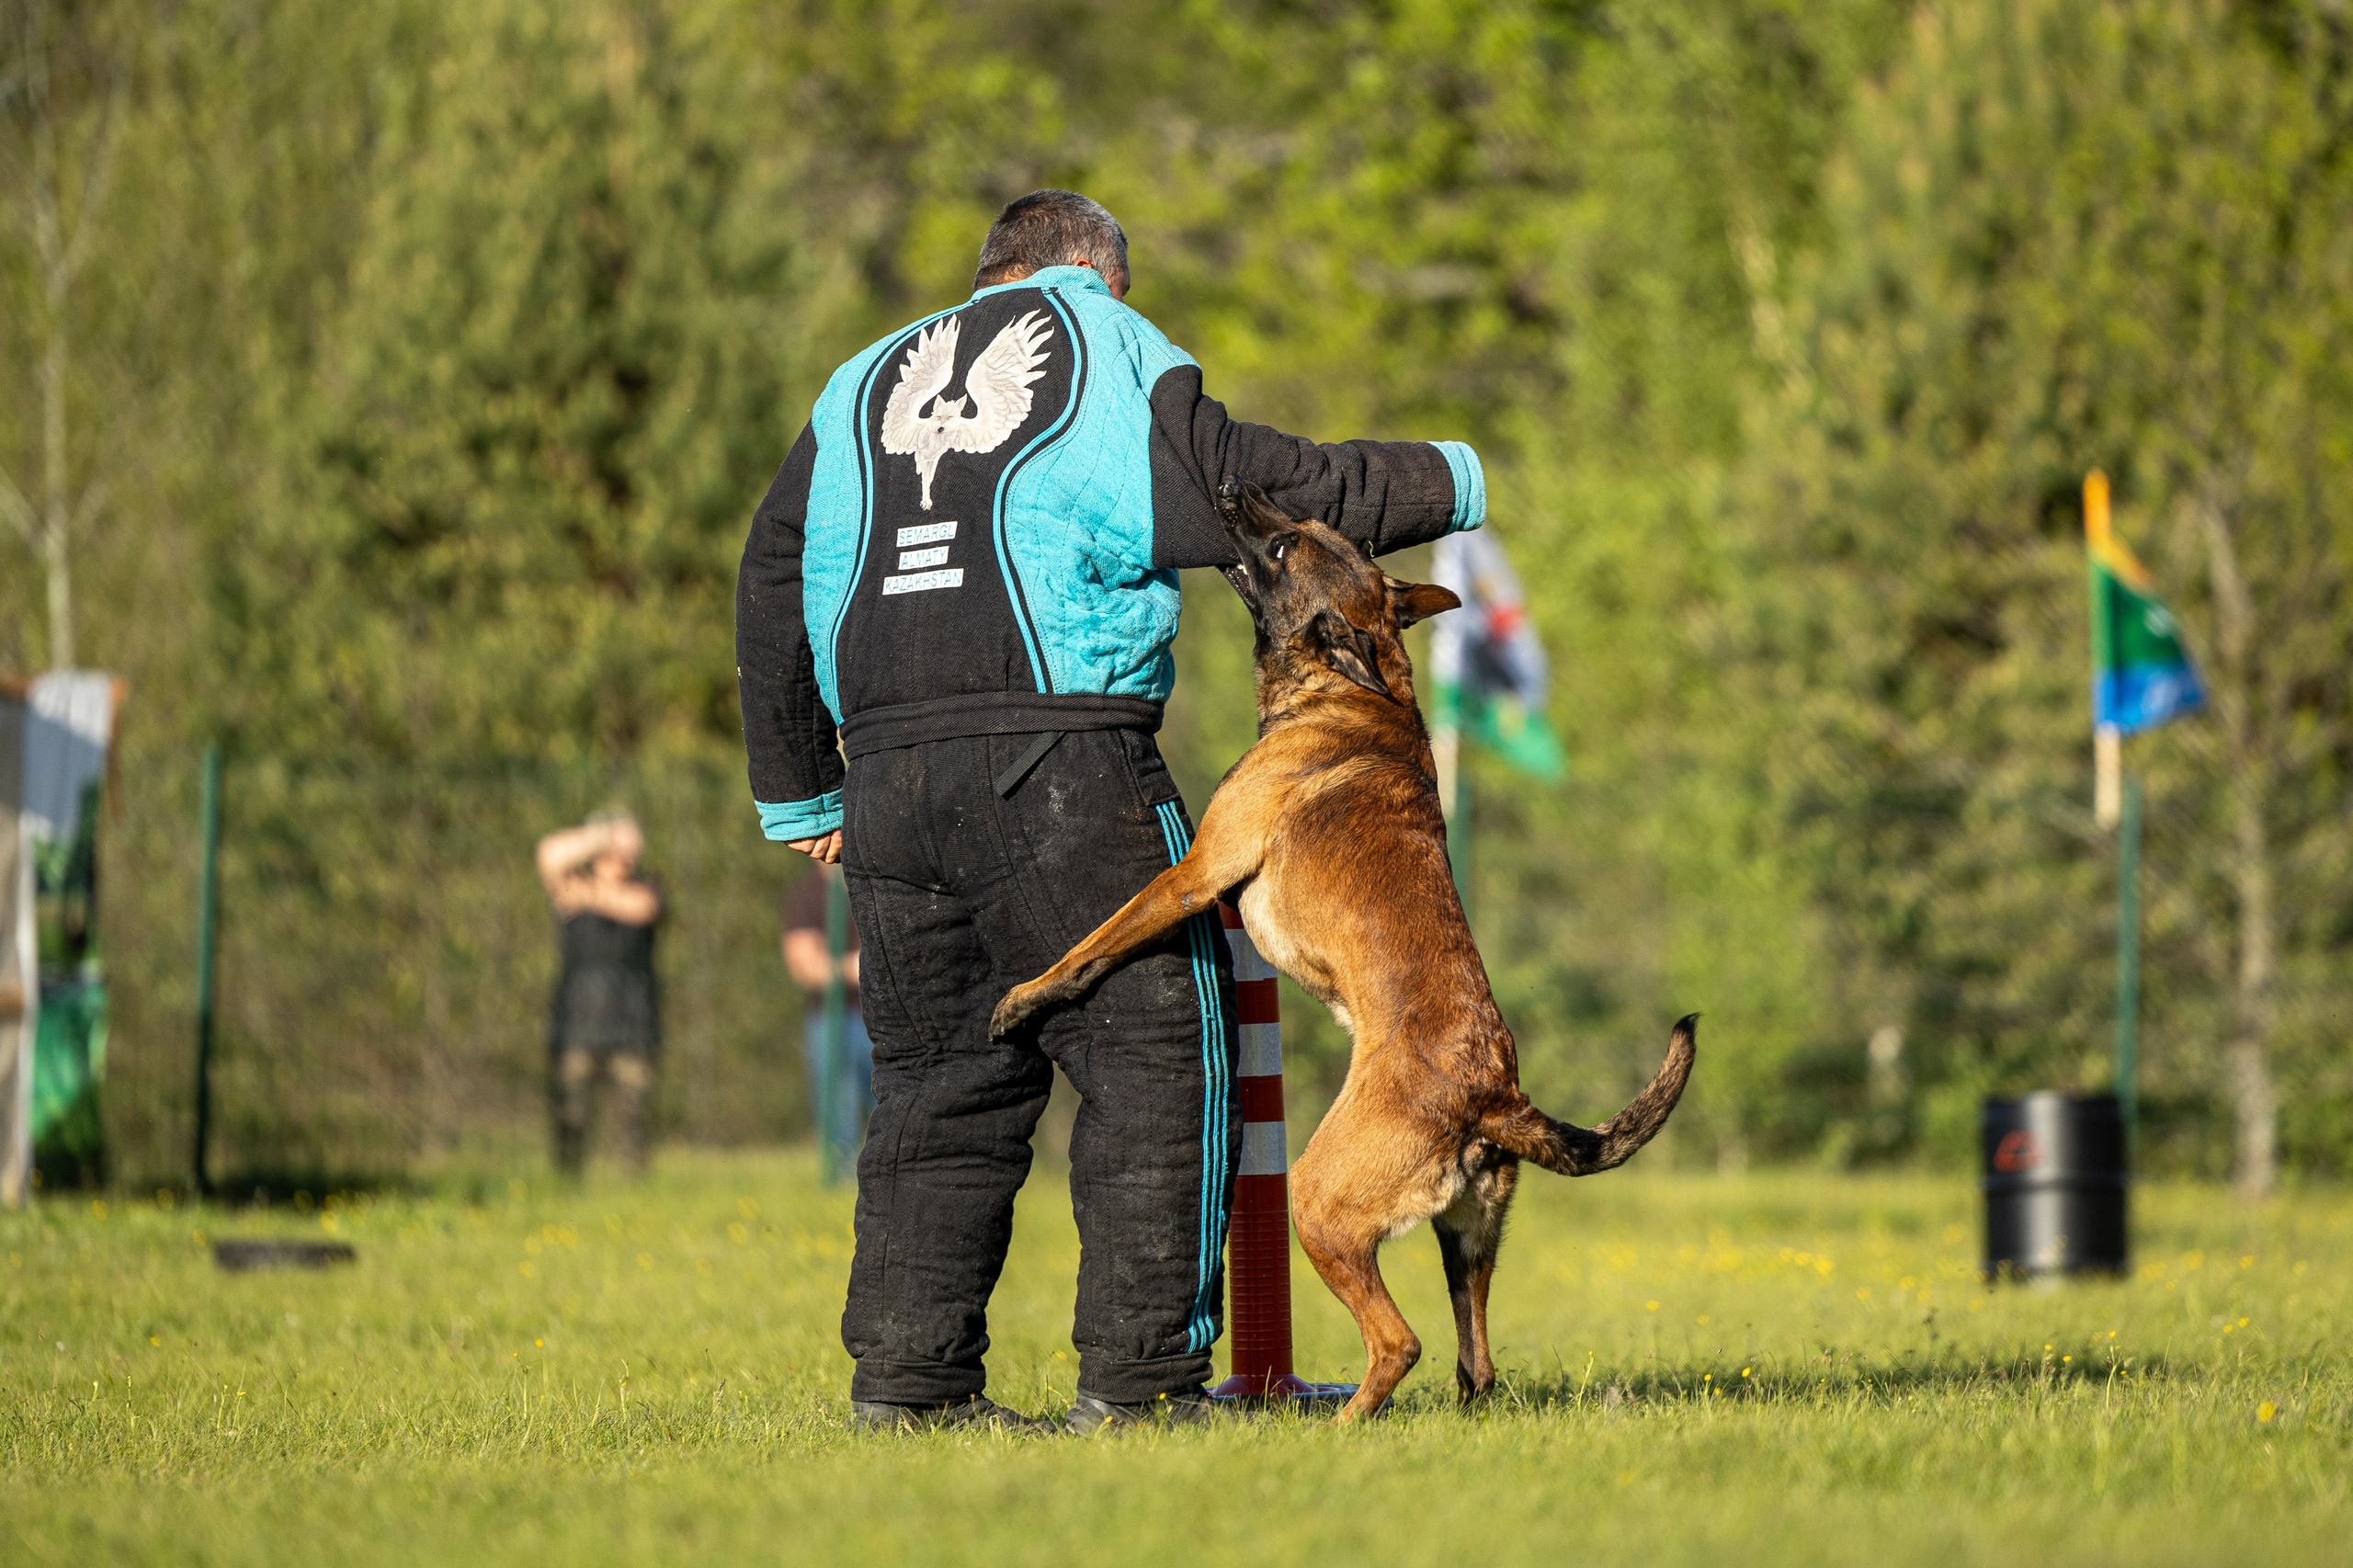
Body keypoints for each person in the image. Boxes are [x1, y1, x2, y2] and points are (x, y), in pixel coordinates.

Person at [734, 189, 1487, 1434]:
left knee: (936, 1084)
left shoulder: (857, 383)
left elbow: (774, 574)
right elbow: (1265, 488)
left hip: (886, 772)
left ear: (991, 271)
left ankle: (911, 1394)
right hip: (1057, 751)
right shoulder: (1103, 344)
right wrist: (1455, 477)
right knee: (1157, 1055)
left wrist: (801, 787)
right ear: (1097, 274)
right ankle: (1141, 1390)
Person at [535, 812, 663, 1177]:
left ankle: (634, 1191)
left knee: (633, 1118)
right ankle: (567, 1186)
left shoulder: (648, 886)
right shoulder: (569, 880)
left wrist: (588, 894)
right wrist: (601, 835)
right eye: (611, 850)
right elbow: (548, 853)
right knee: (570, 1114)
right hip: (577, 1018)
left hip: (634, 1019)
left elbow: (641, 908)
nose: (618, 856)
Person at [780, 866, 872, 1151]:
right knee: (837, 1113)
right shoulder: (807, 894)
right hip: (830, 1018)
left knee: (899, 1106)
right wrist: (855, 967)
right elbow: (805, 966)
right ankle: (840, 1183)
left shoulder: (878, 888)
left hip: (885, 1018)